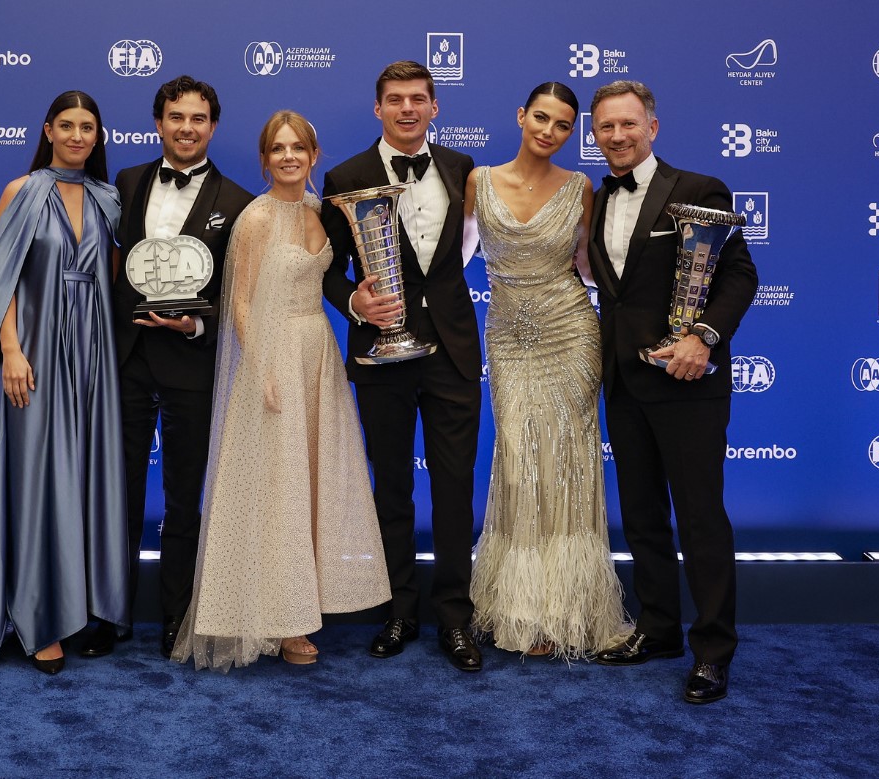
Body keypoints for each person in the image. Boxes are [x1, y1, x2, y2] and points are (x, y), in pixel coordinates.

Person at [173, 111, 390, 671]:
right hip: (272, 360)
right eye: (277, 148)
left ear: (314, 155)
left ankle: (303, 602)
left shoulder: (322, 213)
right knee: (278, 489)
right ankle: (279, 619)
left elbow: (334, 283)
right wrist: (261, 363)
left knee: (310, 484)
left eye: (298, 147)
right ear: (265, 158)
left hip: (316, 353)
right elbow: (240, 300)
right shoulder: (255, 218)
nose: (289, 156)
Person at [585, 79, 757, 704]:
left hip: (688, 381)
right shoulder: (599, 200)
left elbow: (739, 274)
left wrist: (703, 337)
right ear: (595, 134)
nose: (618, 136)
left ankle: (713, 652)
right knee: (643, 517)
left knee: (701, 519)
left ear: (652, 128)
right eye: (606, 127)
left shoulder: (696, 188)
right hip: (626, 382)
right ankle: (658, 629)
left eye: (629, 125)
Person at [321, 60, 484, 672]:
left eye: (419, 99)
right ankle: (399, 611)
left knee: (453, 488)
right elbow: (328, 268)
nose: (408, 109)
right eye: (395, 100)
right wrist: (353, 303)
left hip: (452, 351)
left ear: (435, 107)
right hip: (380, 353)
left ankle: (455, 619)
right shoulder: (346, 176)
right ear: (378, 109)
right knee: (390, 486)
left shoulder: (463, 170)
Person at [0, 90, 127, 674]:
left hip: (93, 360)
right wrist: (10, 349)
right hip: (33, 354)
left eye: (88, 127)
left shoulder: (109, 200)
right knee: (35, 483)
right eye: (68, 125)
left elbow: (114, 282)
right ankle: (36, 621)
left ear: (98, 136)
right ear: (48, 130)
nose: (78, 135)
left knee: (82, 480)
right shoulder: (22, 192)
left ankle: (79, 606)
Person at [465, 82, 632, 659]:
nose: (549, 132)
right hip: (509, 338)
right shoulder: (477, 182)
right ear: (520, 116)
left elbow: (590, 266)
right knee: (518, 462)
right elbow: (448, 260)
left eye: (563, 126)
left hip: (570, 333)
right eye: (541, 118)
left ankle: (566, 611)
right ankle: (519, 605)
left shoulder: (581, 187)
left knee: (567, 465)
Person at [97, 76, 253, 659]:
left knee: (184, 498)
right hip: (129, 358)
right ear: (158, 122)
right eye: (176, 117)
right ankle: (108, 615)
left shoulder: (237, 202)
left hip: (193, 361)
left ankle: (177, 616)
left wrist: (194, 325)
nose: (187, 128)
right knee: (118, 492)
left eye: (198, 118)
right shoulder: (130, 181)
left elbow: (241, 294)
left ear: (213, 126)